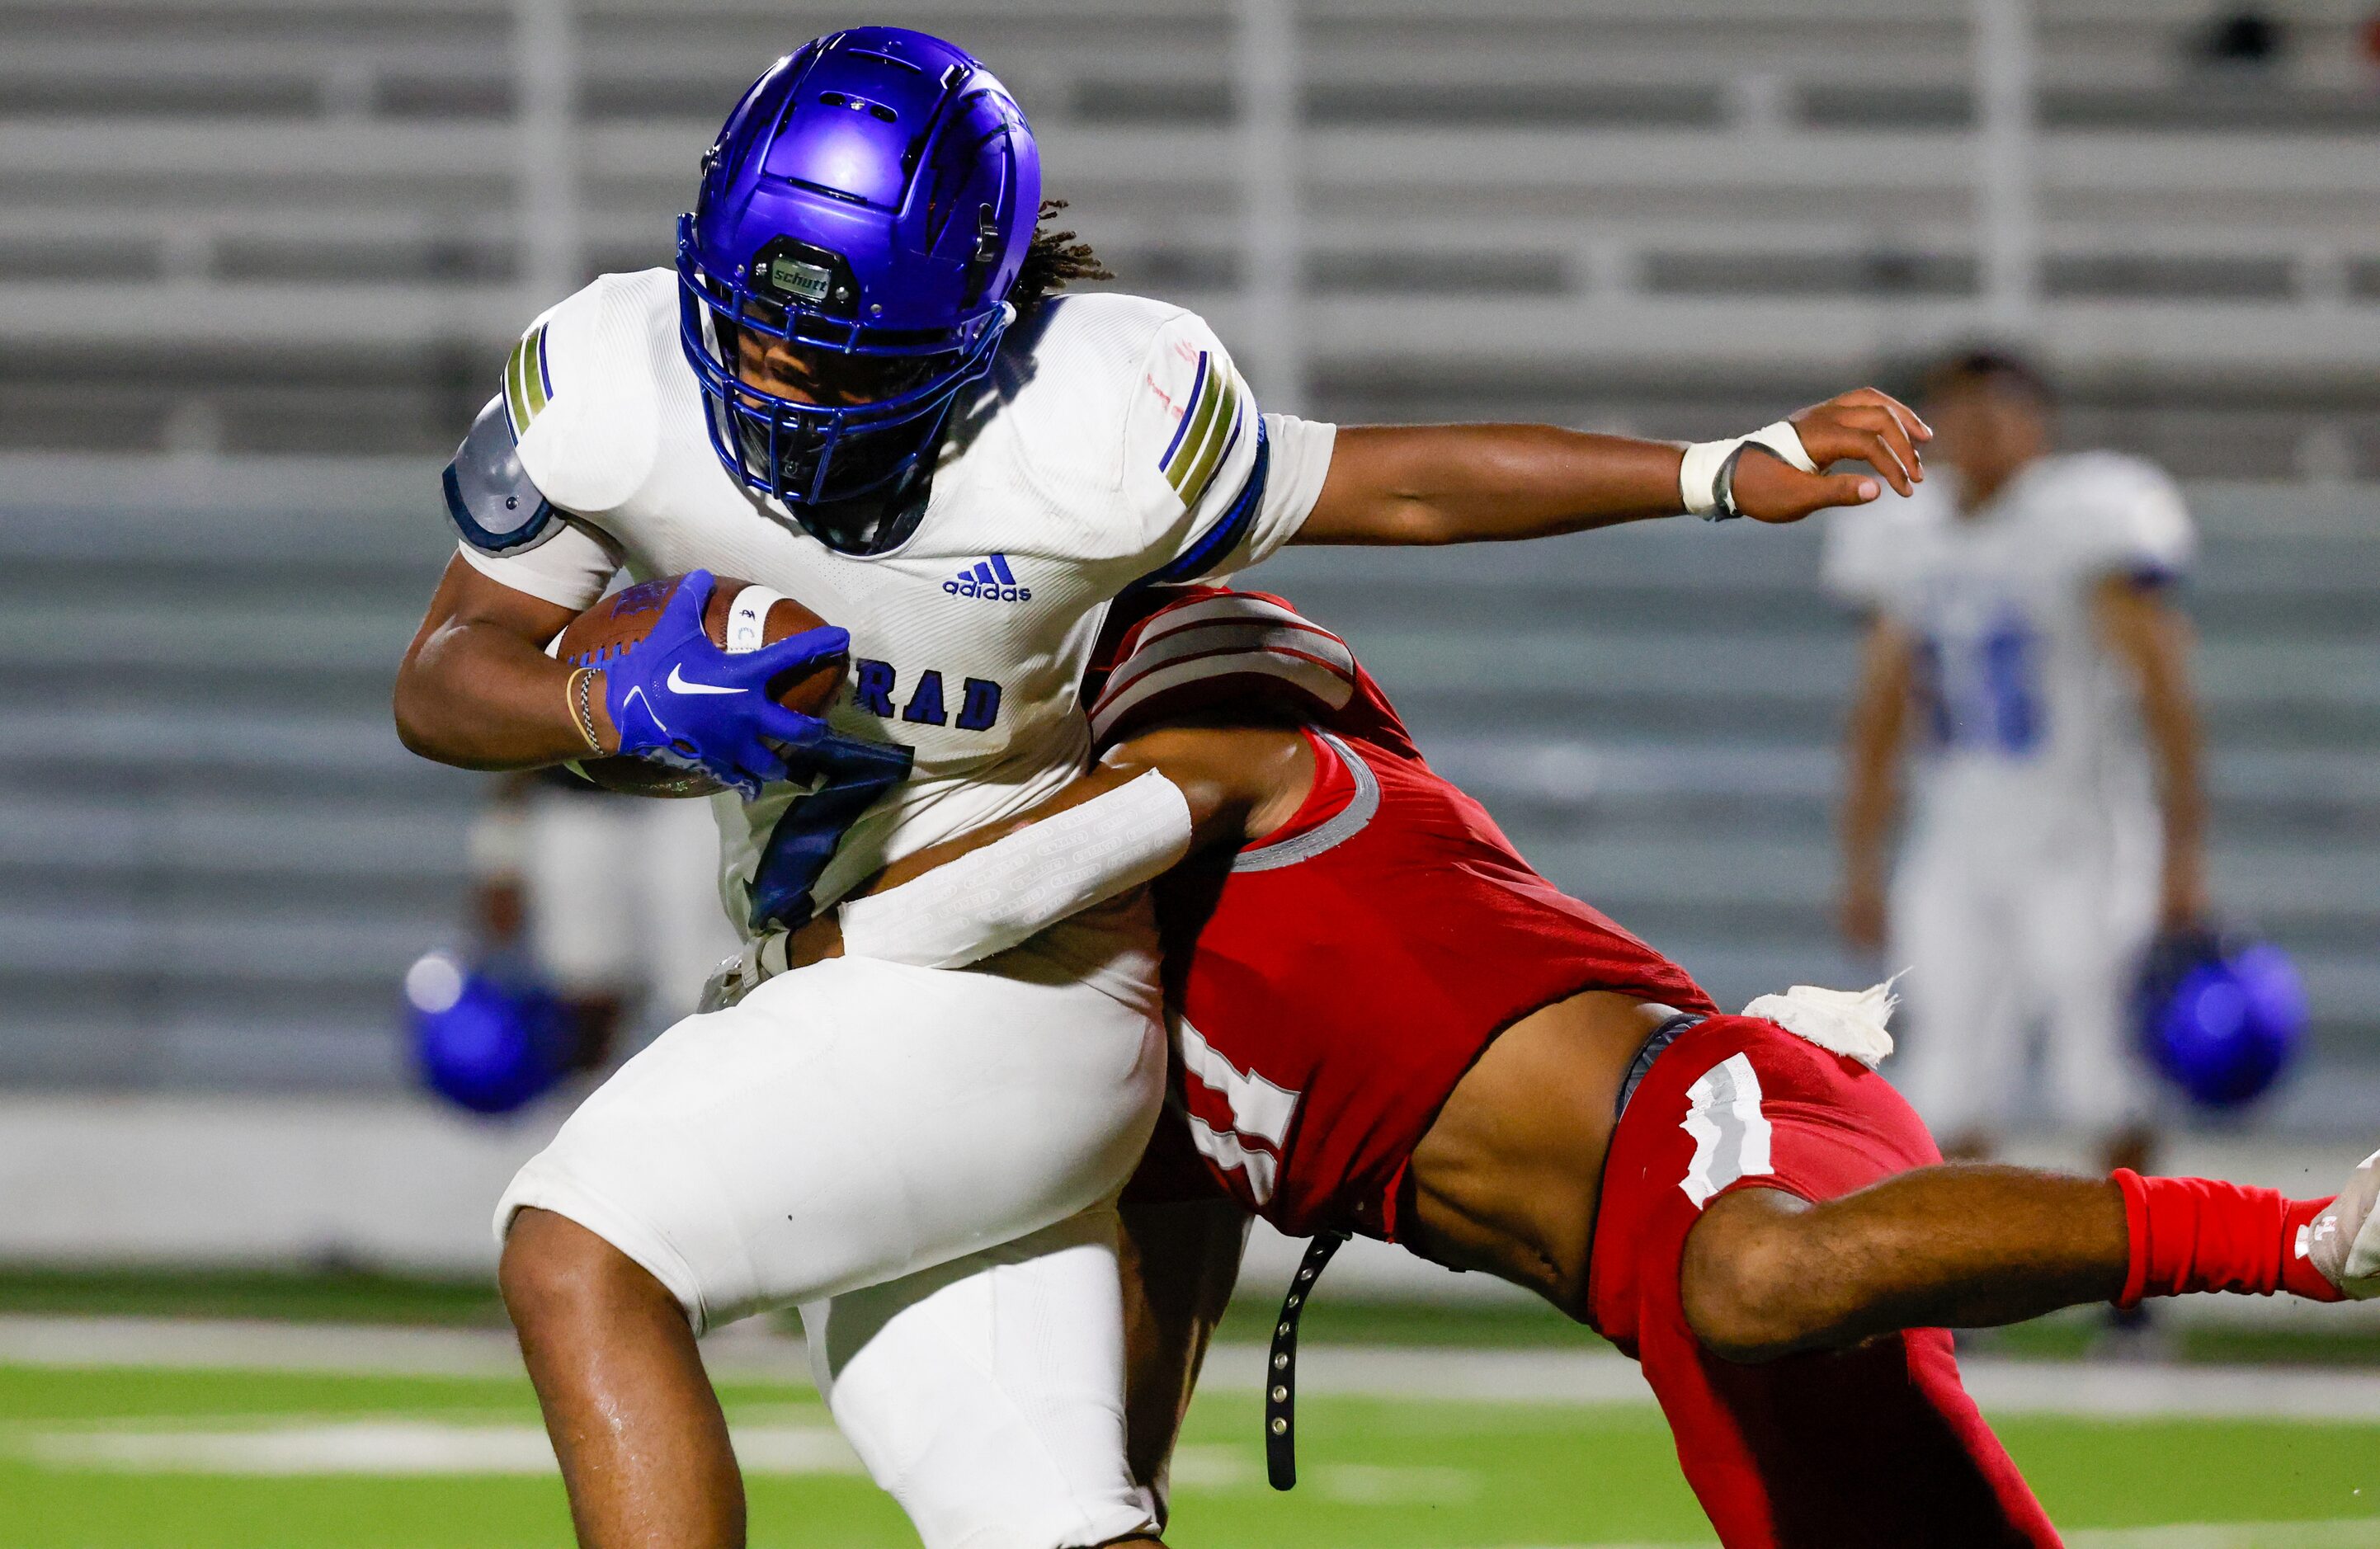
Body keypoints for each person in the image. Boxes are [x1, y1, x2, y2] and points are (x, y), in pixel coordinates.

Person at [390, 26, 1925, 1549]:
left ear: (976, 327)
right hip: (839, 981)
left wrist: (1711, 469)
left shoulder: (1096, 417)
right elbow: (446, 672)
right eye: (752, 333)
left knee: (582, 1244)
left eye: (841, 358)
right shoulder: (608, 369)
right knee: (1047, 1522)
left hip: (1014, 978)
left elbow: (1385, 480)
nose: (780, 386)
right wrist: (600, 690)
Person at [743, 581, 2377, 1549]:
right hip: (1650, 1300)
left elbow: (1051, 839)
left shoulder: (1269, 773)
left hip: (1725, 1119)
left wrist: (799, 967)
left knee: (1749, 1277)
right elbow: (1163, 1278)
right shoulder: (1129, 1042)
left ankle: (2302, 1237)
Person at [1826, 349, 2207, 1177]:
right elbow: (1879, 712)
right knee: (1946, 1079)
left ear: (2035, 426)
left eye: (1997, 413)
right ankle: (1966, 1290)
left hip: (2082, 836)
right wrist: (1859, 855)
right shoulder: (1904, 534)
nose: (1979, 433)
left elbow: (2162, 689)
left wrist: (2182, 847)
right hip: (1956, 838)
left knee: (2102, 1077)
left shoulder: (2085, 523)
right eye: (1959, 414)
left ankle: (2132, 1289)